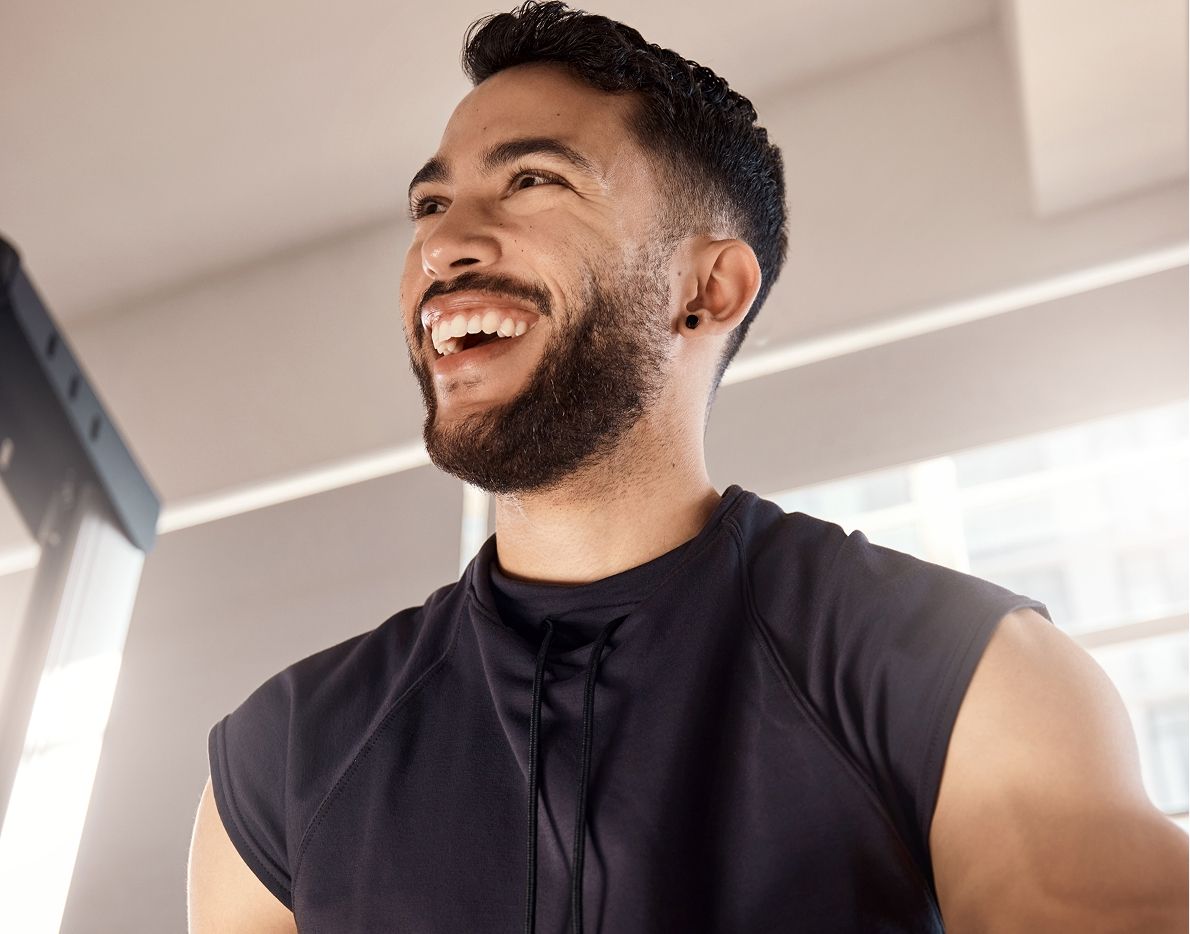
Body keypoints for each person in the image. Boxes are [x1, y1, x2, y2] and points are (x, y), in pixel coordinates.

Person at [187, 3, 1189, 932]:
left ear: (707, 287)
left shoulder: (955, 671)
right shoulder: (281, 760)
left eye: (532, 179)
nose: (443, 243)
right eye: (428, 203)